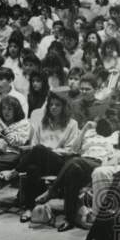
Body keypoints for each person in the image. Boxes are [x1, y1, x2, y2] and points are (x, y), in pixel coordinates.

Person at [16, 91, 79, 219]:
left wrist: (49, 151)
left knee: (40, 149)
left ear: (64, 107)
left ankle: (14, 171)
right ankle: (30, 208)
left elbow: (70, 149)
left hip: (60, 163)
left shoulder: (72, 124)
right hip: (40, 159)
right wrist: (43, 151)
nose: (53, 107)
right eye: (51, 105)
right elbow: (33, 144)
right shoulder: (41, 123)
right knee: (32, 168)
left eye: (57, 105)